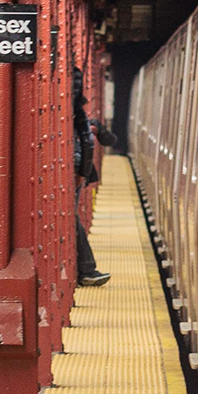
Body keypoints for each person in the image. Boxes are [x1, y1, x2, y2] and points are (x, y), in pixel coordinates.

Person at [73, 102, 111, 286]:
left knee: (70, 218)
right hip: (75, 165)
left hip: (74, 166)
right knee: (71, 218)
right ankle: (86, 270)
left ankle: (86, 270)